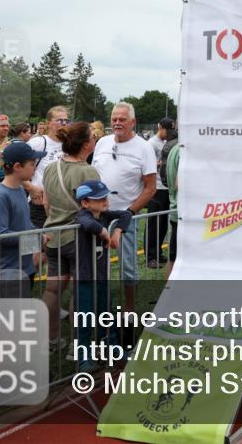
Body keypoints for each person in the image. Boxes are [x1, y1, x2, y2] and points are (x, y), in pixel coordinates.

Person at [91, 102, 156, 315]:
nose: (117, 123)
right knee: (95, 264)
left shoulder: (144, 147)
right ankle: (100, 305)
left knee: (127, 267)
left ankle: (129, 308)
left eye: (122, 119)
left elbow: (150, 188)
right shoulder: (102, 142)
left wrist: (130, 212)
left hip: (125, 216)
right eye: (114, 119)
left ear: (133, 122)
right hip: (97, 215)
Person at [41, 121, 99, 344]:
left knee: (52, 290)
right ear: (85, 145)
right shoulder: (88, 171)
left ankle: (51, 339)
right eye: (92, 137)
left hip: (53, 235)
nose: (95, 140)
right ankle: (79, 344)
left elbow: (46, 203)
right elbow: (95, 209)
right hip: (78, 239)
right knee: (79, 291)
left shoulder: (50, 168)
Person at [71, 180, 133, 371]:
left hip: (102, 275)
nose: (105, 201)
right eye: (99, 199)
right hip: (85, 276)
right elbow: (87, 224)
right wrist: (104, 232)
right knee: (85, 317)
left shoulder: (105, 215)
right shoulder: (83, 216)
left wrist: (117, 231)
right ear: (85, 203)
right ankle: (83, 358)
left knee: (106, 313)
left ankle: (111, 348)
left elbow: (126, 214)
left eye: (106, 197)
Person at [0, 141, 46, 296]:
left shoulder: (19, 190)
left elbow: (24, 224)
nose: (35, 168)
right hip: (7, 270)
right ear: (17, 167)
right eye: (32, 164)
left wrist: (39, 234)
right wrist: (37, 239)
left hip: (24, 266)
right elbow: (2, 235)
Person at [26, 106, 69, 228]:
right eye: (59, 120)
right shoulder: (39, 142)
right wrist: (30, 187)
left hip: (63, 205)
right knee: (38, 239)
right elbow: (13, 165)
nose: (64, 123)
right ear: (48, 123)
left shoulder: (70, 144)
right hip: (40, 204)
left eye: (66, 120)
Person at [145, 118, 174, 267]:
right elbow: (147, 164)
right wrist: (164, 163)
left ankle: (157, 252)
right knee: (153, 222)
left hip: (167, 188)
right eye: (167, 130)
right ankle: (150, 256)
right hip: (156, 188)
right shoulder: (151, 143)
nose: (169, 133)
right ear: (160, 127)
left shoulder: (167, 142)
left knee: (163, 223)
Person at [164, 142, 181, 280]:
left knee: (174, 256)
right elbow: (180, 183)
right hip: (182, 212)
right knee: (175, 257)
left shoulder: (175, 149)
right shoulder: (184, 152)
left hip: (177, 209)